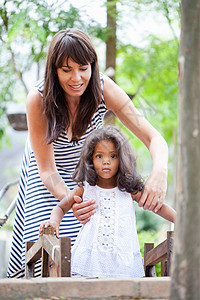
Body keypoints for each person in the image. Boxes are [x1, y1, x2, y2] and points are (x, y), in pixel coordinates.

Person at [7, 28, 169, 278]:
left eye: (83, 67)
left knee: (89, 257)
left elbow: (154, 137)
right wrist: (71, 201)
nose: (76, 78)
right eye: (66, 69)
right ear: (54, 70)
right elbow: (47, 170)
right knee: (47, 251)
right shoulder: (38, 99)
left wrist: (159, 172)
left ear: (93, 65)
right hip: (46, 179)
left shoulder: (104, 89)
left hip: (85, 179)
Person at [39, 126, 176, 278]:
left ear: (122, 158)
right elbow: (60, 208)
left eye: (113, 156)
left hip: (123, 262)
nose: (106, 162)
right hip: (89, 260)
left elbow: (158, 207)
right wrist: (53, 222)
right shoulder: (85, 188)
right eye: (99, 156)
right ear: (90, 158)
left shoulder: (129, 190)